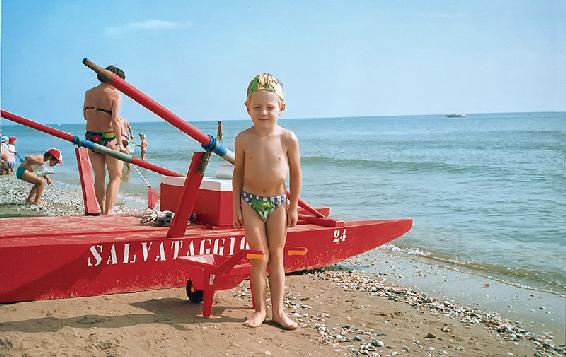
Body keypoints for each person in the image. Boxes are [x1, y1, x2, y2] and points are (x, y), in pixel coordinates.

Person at [232, 73, 301, 330]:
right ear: (247, 108)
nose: (263, 112)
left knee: (278, 257)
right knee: (258, 257)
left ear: (281, 108)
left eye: (270, 107)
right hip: (250, 201)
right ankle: (260, 309)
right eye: (257, 107)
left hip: (278, 203)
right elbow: (238, 172)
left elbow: (296, 172)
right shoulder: (243, 138)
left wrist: (293, 206)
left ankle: (278, 311)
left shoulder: (288, 138)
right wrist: (235, 205)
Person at [83, 65, 125, 215]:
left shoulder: (88, 93)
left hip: (91, 137)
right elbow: (114, 121)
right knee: (116, 175)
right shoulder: (115, 95)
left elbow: (85, 115)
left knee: (99, 176)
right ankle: (109, 211)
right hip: (109, 138)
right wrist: (120, 143)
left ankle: (101, 209)